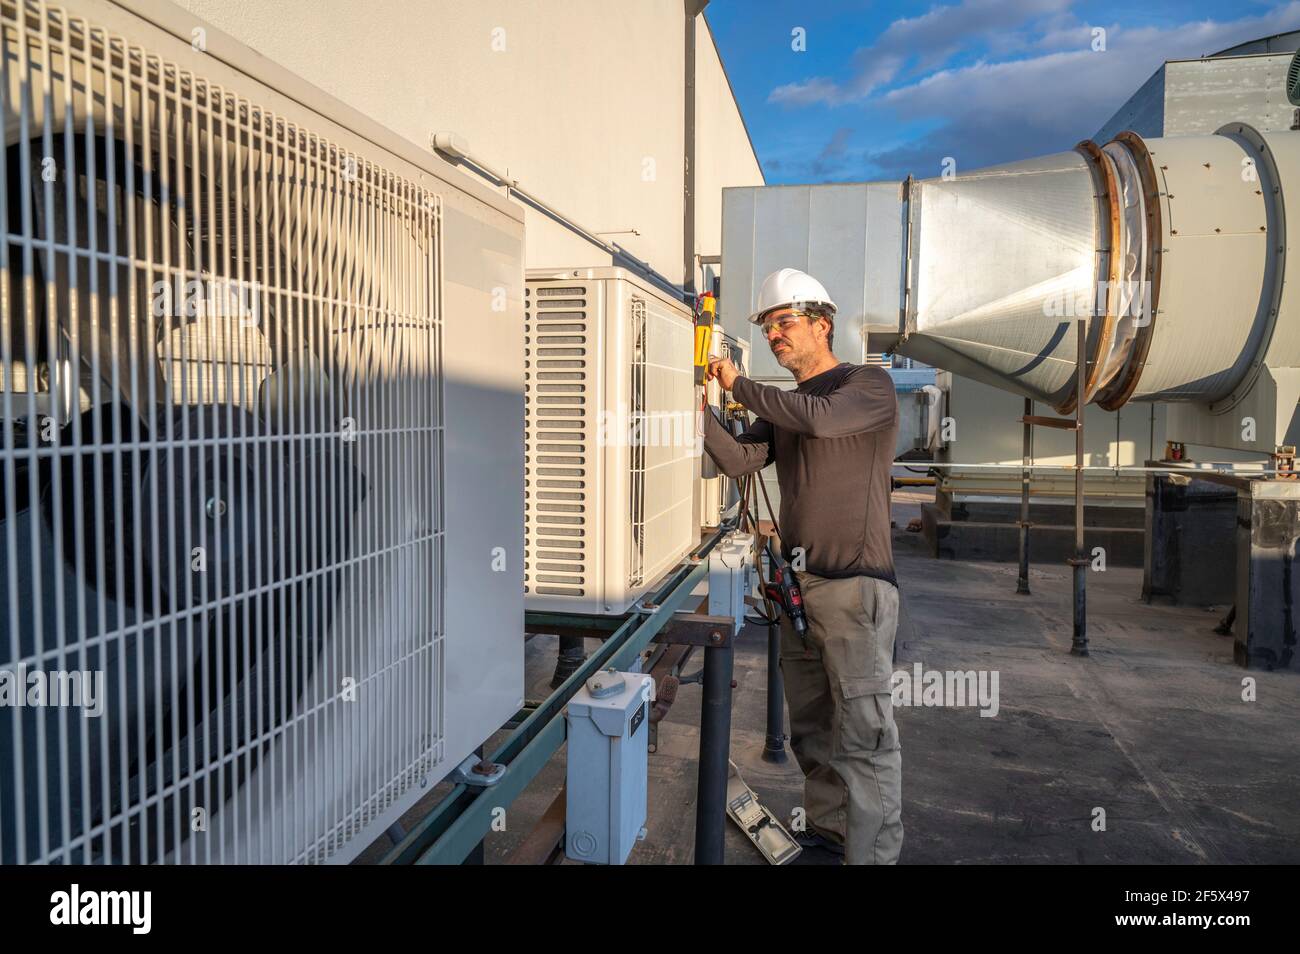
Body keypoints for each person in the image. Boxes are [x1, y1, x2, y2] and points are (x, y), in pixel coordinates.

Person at [702, 267, 902, 865]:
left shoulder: (866, 387)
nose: (775, 337)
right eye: (768, 328)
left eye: (784, 323)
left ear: (822, 324)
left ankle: (872, 856)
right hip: (798, 589)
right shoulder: (786, 408)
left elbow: (819, 420)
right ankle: (831, 834)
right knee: (813, 730)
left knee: (863, 737)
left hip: (854, 591)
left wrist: (738, 384)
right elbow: (739, 460)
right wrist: (694, 406)